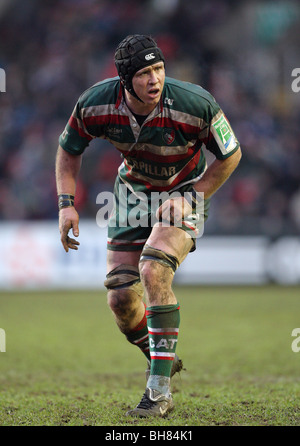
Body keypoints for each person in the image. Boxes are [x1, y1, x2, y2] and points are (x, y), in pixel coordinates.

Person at [55, 34, 241, 418]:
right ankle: (161, 357)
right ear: (125, 81)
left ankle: (157, 393)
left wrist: (192, 197)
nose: (154, 79)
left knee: (153, 270)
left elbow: (231, 154)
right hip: (132, 196)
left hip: (184, 194)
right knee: (121, 300)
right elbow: (69, 149)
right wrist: (66, 204)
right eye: (143, 73)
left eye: (158, 69)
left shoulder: (196, 103)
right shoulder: (96, 103)